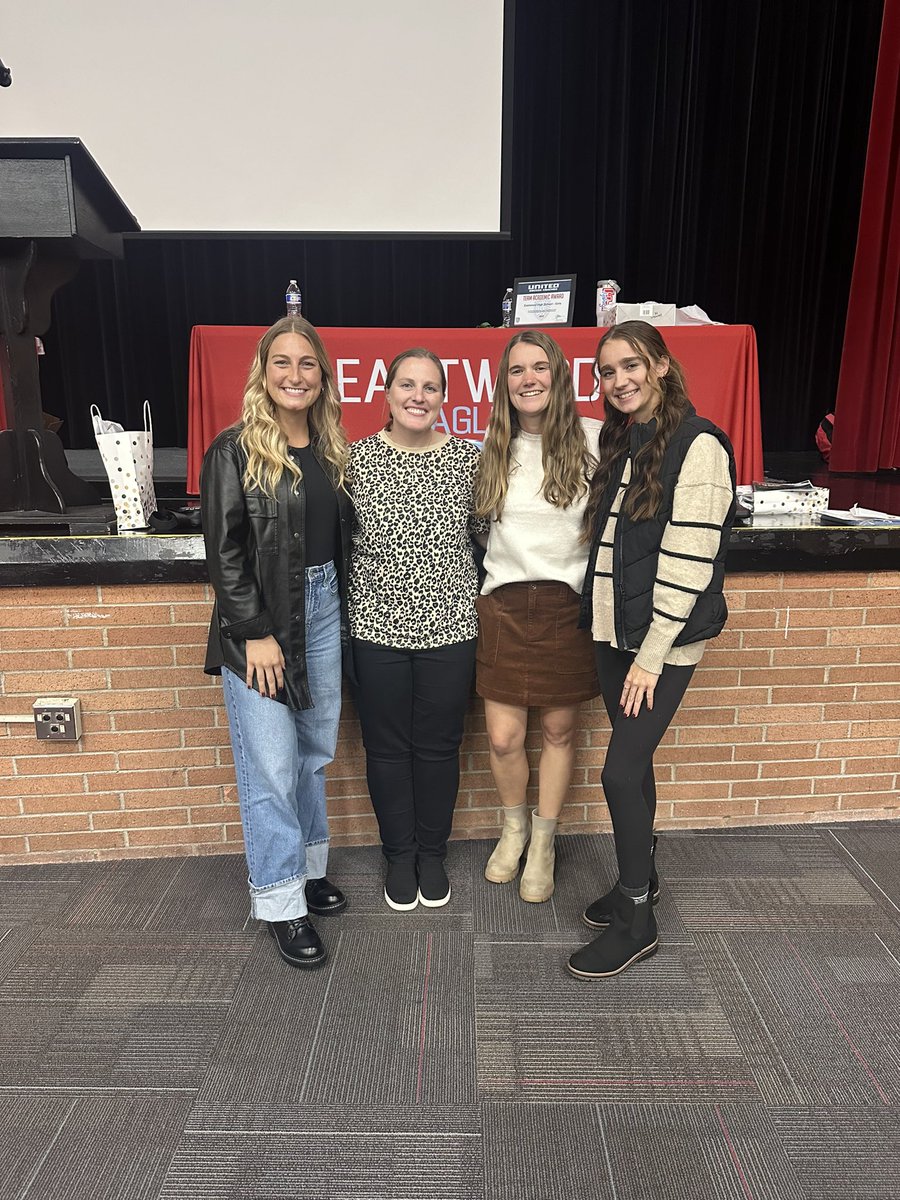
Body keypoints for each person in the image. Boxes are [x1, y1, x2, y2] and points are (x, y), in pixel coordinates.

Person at [568, 320, 736, 979]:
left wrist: (651, 654)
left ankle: (638, 918)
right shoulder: (626, 440)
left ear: (661, 364)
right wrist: (616, 637)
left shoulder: (697, 446)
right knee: (634, 768)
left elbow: (690, 563)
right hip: (617, 633)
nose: (620, 380)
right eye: (608, 372)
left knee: (616, 773)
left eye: (632, 365)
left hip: (656, 644)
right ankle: (643, 882)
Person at [201, 316, 352, 969]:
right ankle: (281, 903)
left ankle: (308, 873)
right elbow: (224, 553)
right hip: (260, 622)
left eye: (307, 364)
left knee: (312, 755)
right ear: (263, 373)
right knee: (269, 766)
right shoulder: (233, 450)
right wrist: (255, 632)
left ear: (323, 376)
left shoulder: (332, 448)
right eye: (282, 363)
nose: (295, 375)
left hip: (323, 613)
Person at [349, 348, 486, 910]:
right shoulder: (354, 462)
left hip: (451, 627)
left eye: (430, 387)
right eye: (407, 384)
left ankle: (432, 853)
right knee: (385, 749)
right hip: (374, 628)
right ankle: (398, 855)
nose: (418, 396)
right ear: (386, 393)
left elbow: (486, 537)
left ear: (444, 399)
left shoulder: (469, 461)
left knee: (438, 748)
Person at [473, 330, 602, 902]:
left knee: (558, 729)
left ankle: (544, 843)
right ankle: (514, 829)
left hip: (566, 606)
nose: (529, 379)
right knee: (503, 738)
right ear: (504, 383)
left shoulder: (597, 441)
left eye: (540, 367)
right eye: (517, 369)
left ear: (559, 376)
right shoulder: (489, 450)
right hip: (503, 604)